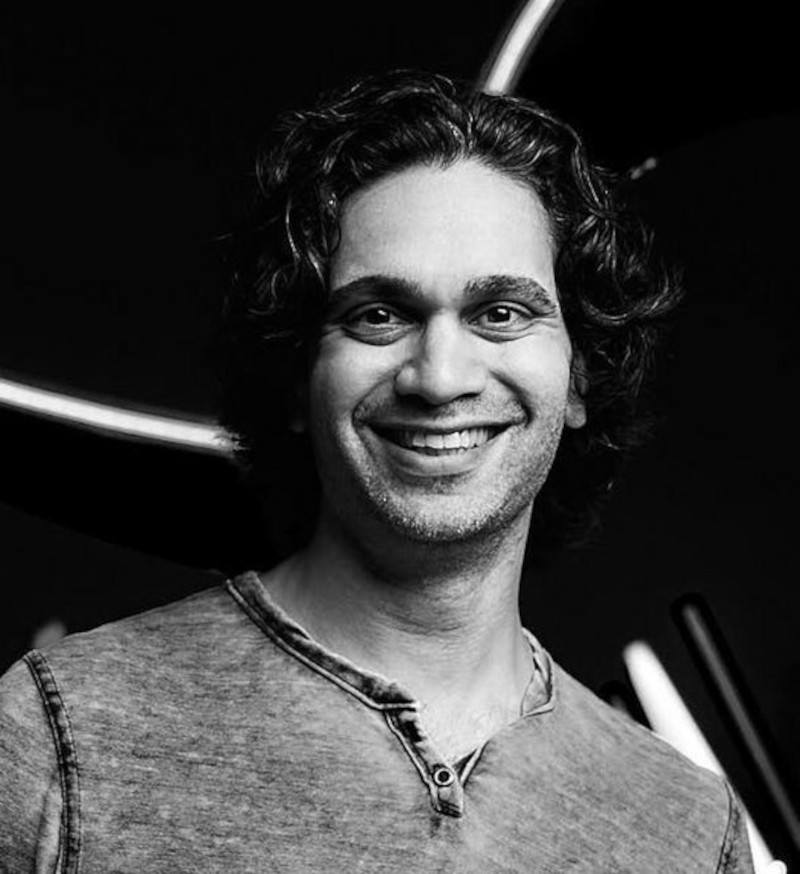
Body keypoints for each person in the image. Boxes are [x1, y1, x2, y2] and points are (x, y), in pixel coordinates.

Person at [0, 70, 755, 872]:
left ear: (581, 376)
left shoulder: (686, 826)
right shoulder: (61, 737)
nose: (438, 377)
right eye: (378, 315)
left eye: (500, 313)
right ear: (298, 375)